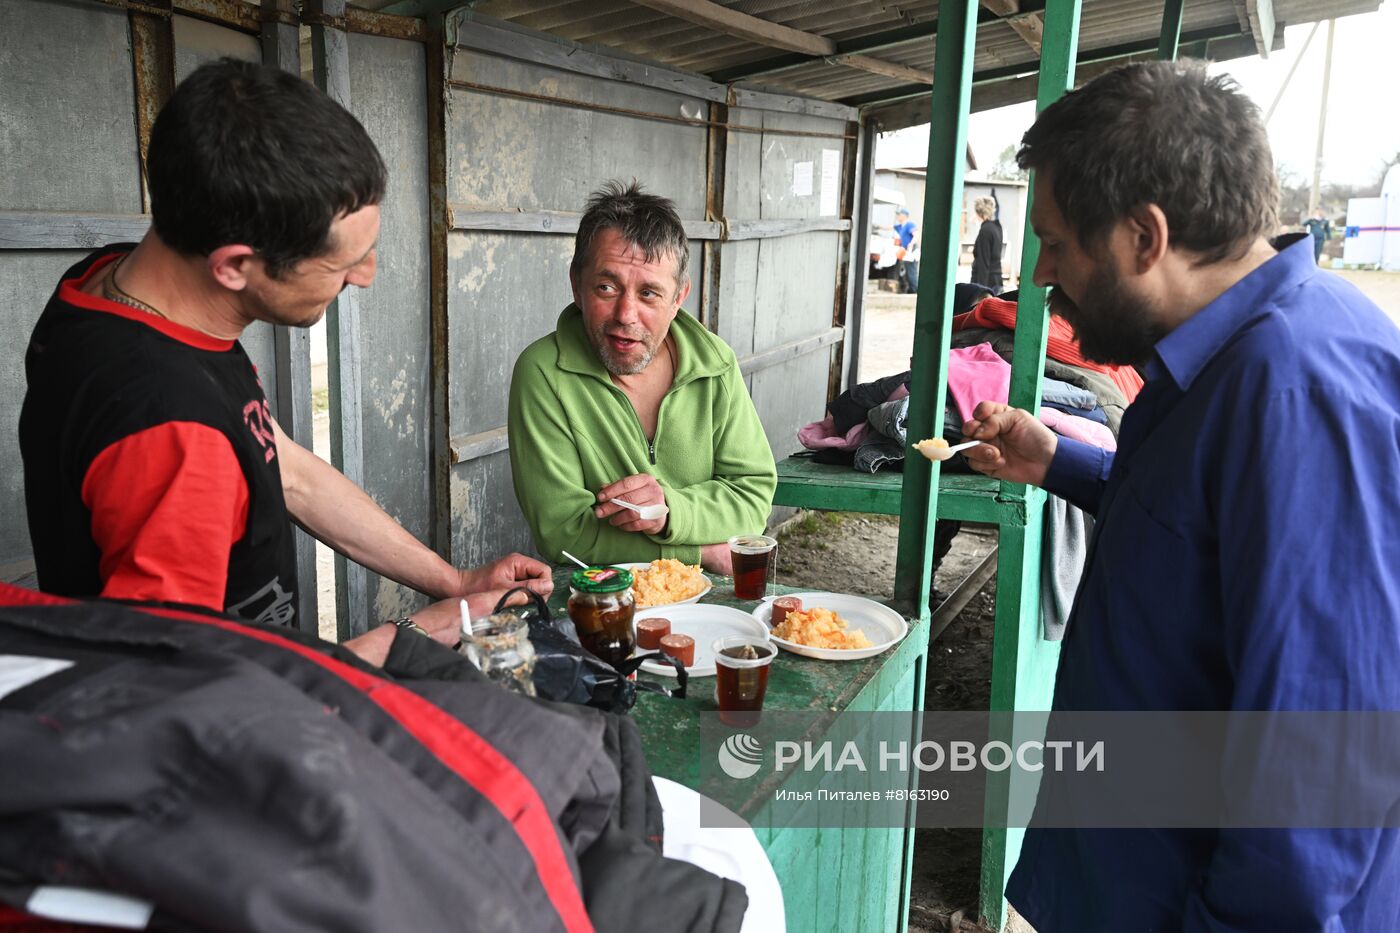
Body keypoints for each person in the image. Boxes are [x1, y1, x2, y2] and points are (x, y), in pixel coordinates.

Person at [956, 61, 1400, 929]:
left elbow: (1317, 779)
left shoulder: (1297, 395)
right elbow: (1204, 546)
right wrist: (1062, 463)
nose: (1040, 277)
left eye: (1053, 242)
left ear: (1143, 238)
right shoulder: (1221, 354)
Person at [18, 59, 551, 667]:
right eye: (339, 263)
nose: (366, 276)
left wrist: (453, 583)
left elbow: (281, 466)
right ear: (233, 266)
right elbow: (177, 696)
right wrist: (417, 632)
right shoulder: (171, 430)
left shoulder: (111, 287)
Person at [508, 181, 776, 573]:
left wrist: (670, 511)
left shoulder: (714, 364)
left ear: (678, 298)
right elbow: (563, 531)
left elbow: (752, 500)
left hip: (711, 600)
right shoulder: (544, 372)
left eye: (649, 293)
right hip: (602, 599)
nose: (626, 315)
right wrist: (698, 553)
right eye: (606, 286)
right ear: (576, 287)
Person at [969, 195, 1003, 292]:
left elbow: (983, 263)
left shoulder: (985, 231)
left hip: (987, 284)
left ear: (980, 213)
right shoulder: (997, 227)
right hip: (996, 281)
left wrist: (979, 292)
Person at [893, 207, 920, 293]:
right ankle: (910, 289)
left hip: (912, 250)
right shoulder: (900, 226)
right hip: (905, 251)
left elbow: (916, 235)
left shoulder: (909, 225)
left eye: (899, 214)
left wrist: (911, 244)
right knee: (906, 272)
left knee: (911, 271)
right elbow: (889, 227)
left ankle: (915, 290)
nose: (898, 216)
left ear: (904, 216)